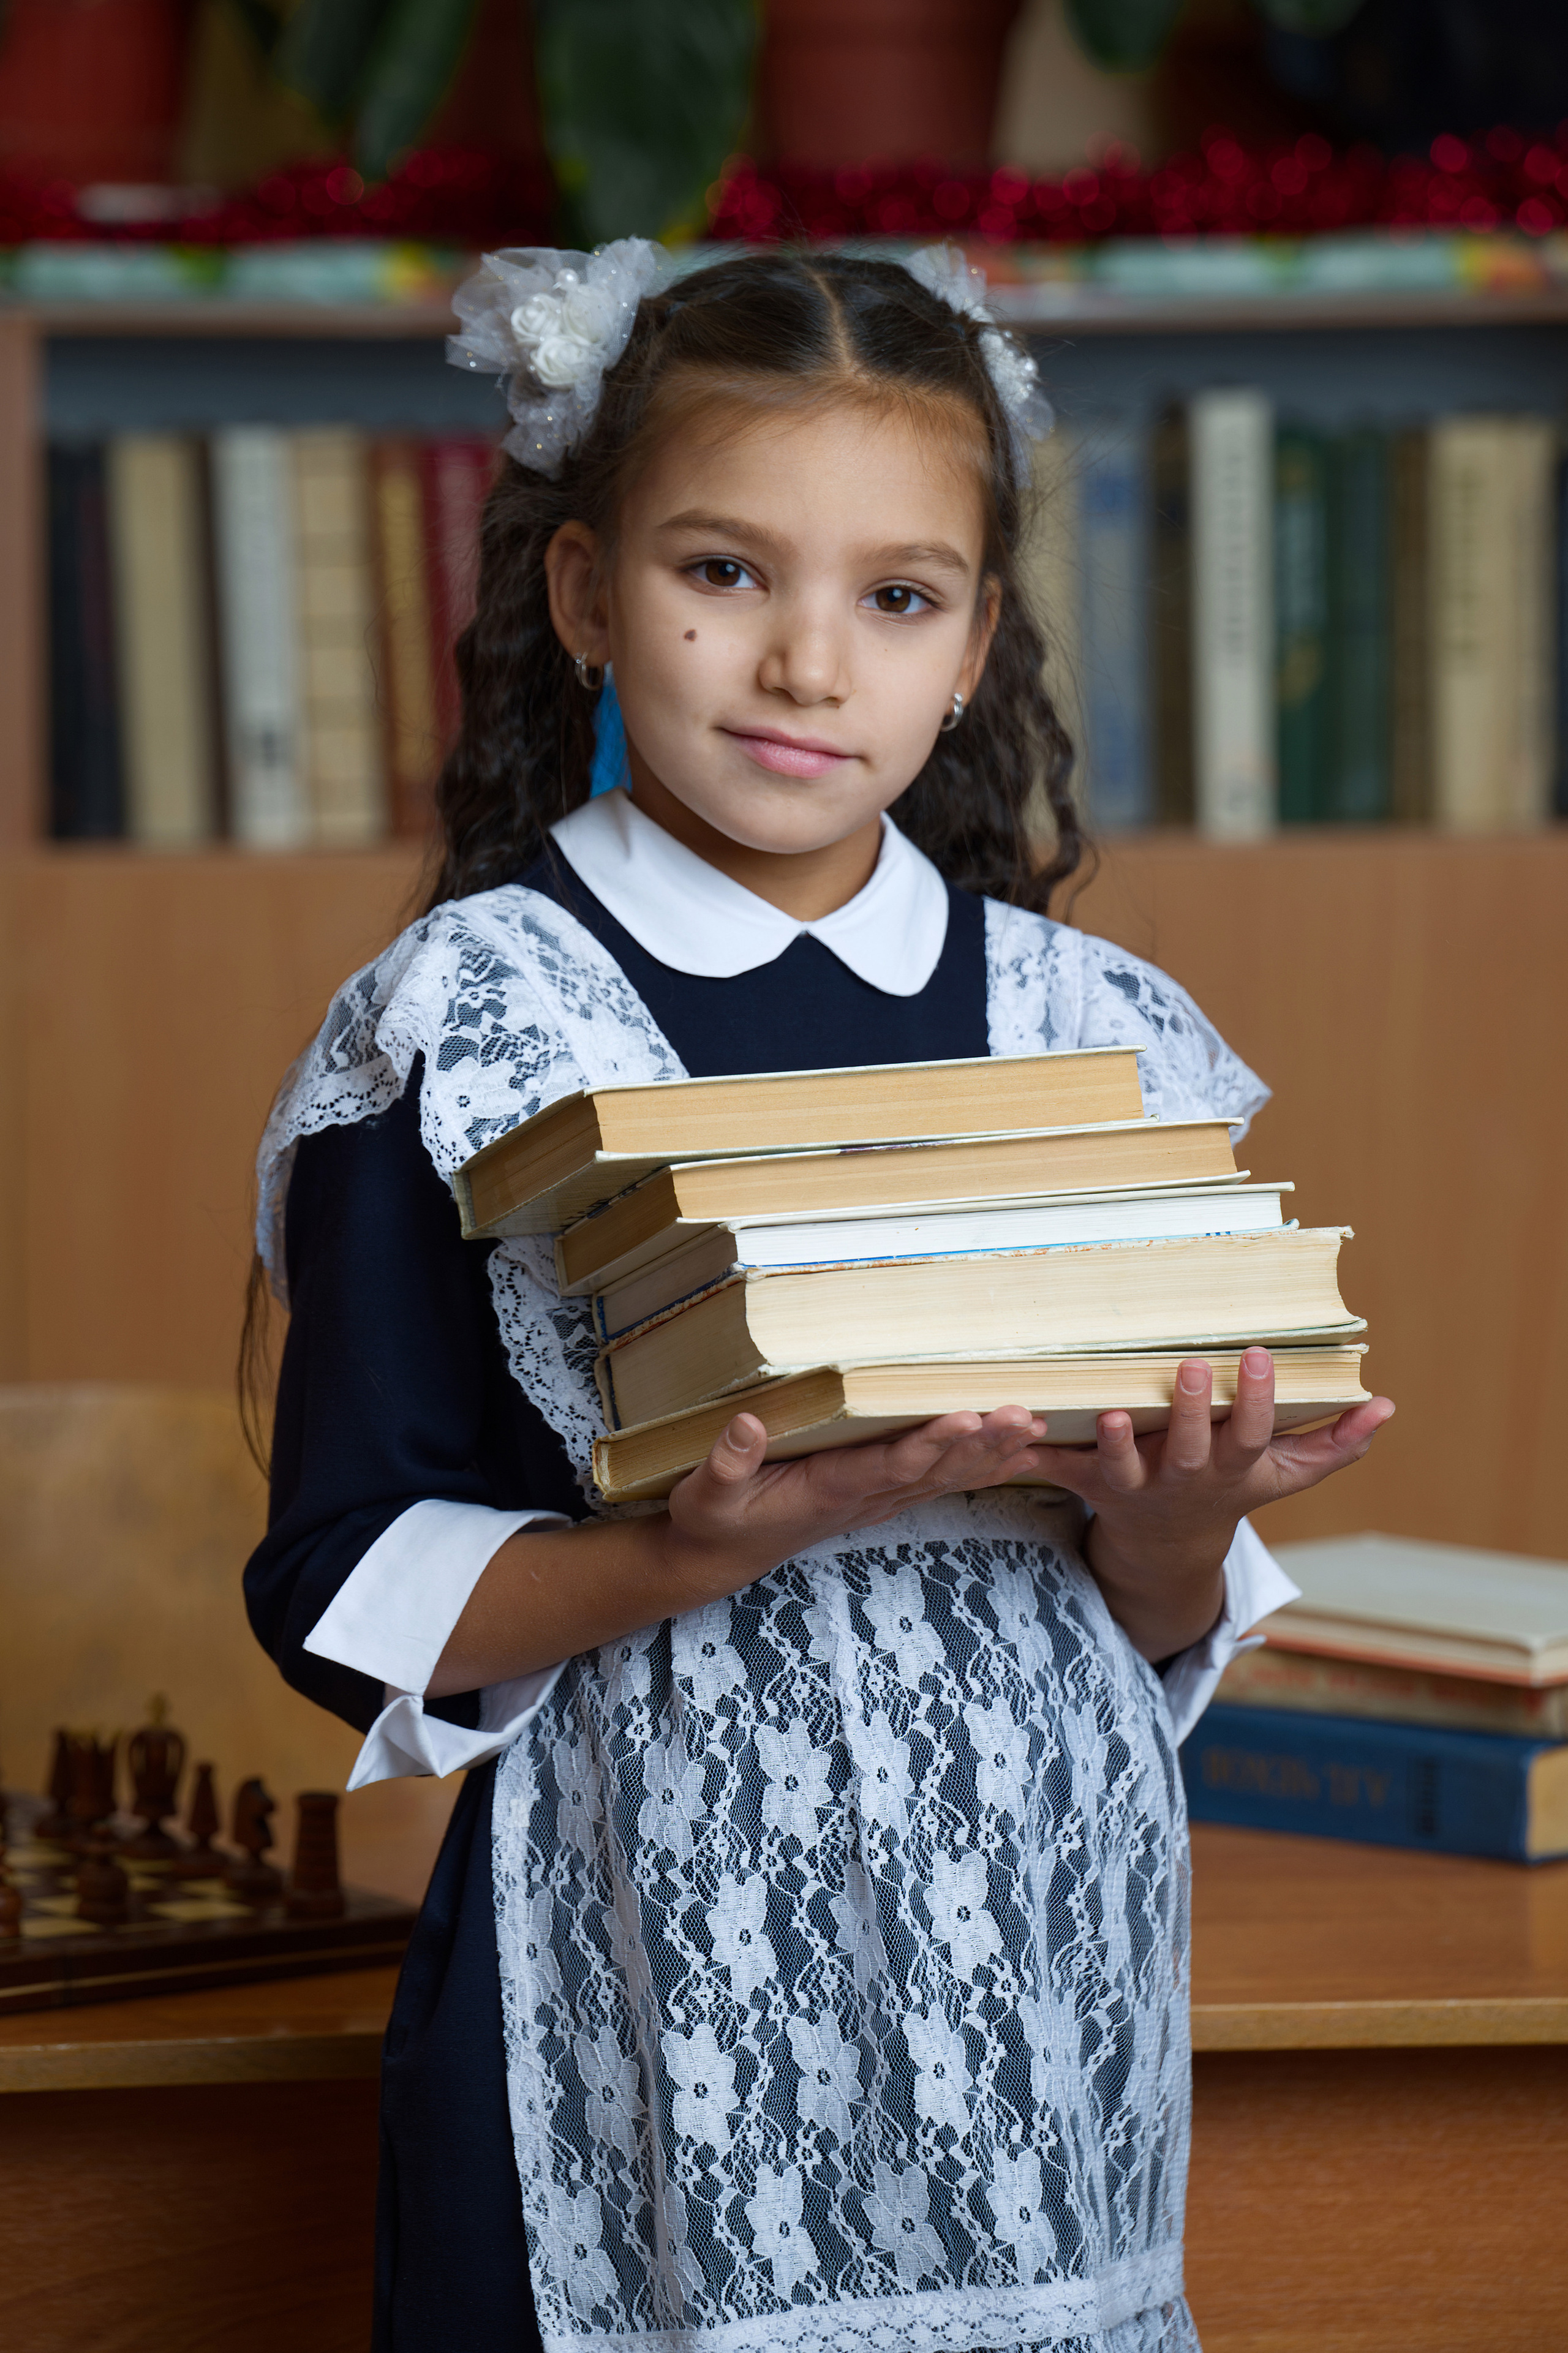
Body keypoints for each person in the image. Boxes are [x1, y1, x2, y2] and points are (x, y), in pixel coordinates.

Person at [244, 241, 1392, 2353]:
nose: (805, 661)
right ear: (587, 594)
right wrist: (682, 1555)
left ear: (975, 647)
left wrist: (1176, 1521)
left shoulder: (1104, 1033)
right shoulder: (468, 1024)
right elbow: (342, 1577)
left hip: (1042, 2012)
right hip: (625, 2000)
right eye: (723, 571)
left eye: (898, 595)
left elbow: (1141, 1614)